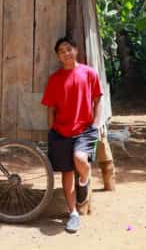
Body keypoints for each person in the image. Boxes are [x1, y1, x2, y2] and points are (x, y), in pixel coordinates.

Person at [41, 36, 102, 233]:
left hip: (84, 129)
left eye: (68, 49)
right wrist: (51, 127)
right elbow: (50, 107)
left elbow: (98, 99)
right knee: (67, 173)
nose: (66, 53)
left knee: (80, 159)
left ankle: (84, 180)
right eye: (61, 51)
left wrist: (96, 123)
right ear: (58, 57)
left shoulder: (89, 73)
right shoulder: (55, 79)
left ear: (75, 50)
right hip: (61, 131)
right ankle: (73, 214)